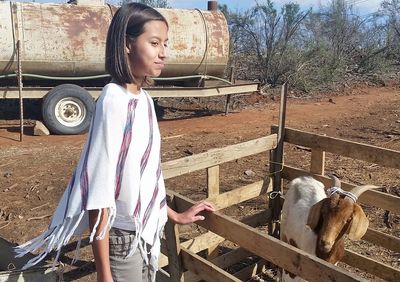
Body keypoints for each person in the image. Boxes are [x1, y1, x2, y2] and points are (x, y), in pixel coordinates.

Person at [15, 3, 215, 282]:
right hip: (122, 239)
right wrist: (104, 275)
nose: (163, 53)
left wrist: (175, 215)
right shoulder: (113, 101)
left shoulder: (143, 100)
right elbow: (100, 190)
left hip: (145, 232)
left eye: (165, 44)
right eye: (154, 43)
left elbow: (140, 179)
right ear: (127, 45)